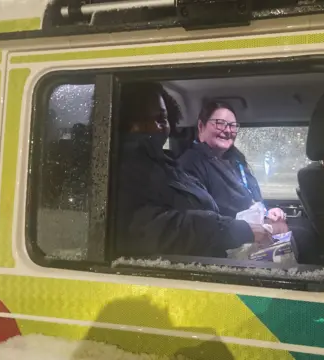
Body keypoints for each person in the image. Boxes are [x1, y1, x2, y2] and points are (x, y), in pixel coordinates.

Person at [114, 82, 273, 258]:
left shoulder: (166, 164)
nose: (228, 130)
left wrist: (265, 215)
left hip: (217, 251)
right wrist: (236, 229)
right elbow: (151, 231)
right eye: (220, 123)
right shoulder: (122, 169)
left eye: (162, 117)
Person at [178, 101, 287, 233]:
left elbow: (251, 202)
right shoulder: (190, 164)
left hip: (254, 234)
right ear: (201, 127)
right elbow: (201, 222)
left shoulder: (236, 160)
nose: (228, 130)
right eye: (220, 123)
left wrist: (267, 213)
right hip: (228, 243)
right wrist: (246, 231)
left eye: (232, 126)